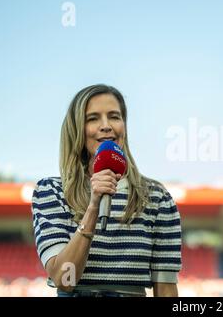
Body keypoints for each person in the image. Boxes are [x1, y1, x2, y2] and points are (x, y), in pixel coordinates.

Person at [32, 84, 182, 297]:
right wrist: (93, 208)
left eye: (114, 116)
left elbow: (166, 290)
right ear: (77, 129)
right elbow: (64, 279)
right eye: (92, 118)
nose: (106, 126)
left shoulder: (158, 198)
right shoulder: (51, 191)